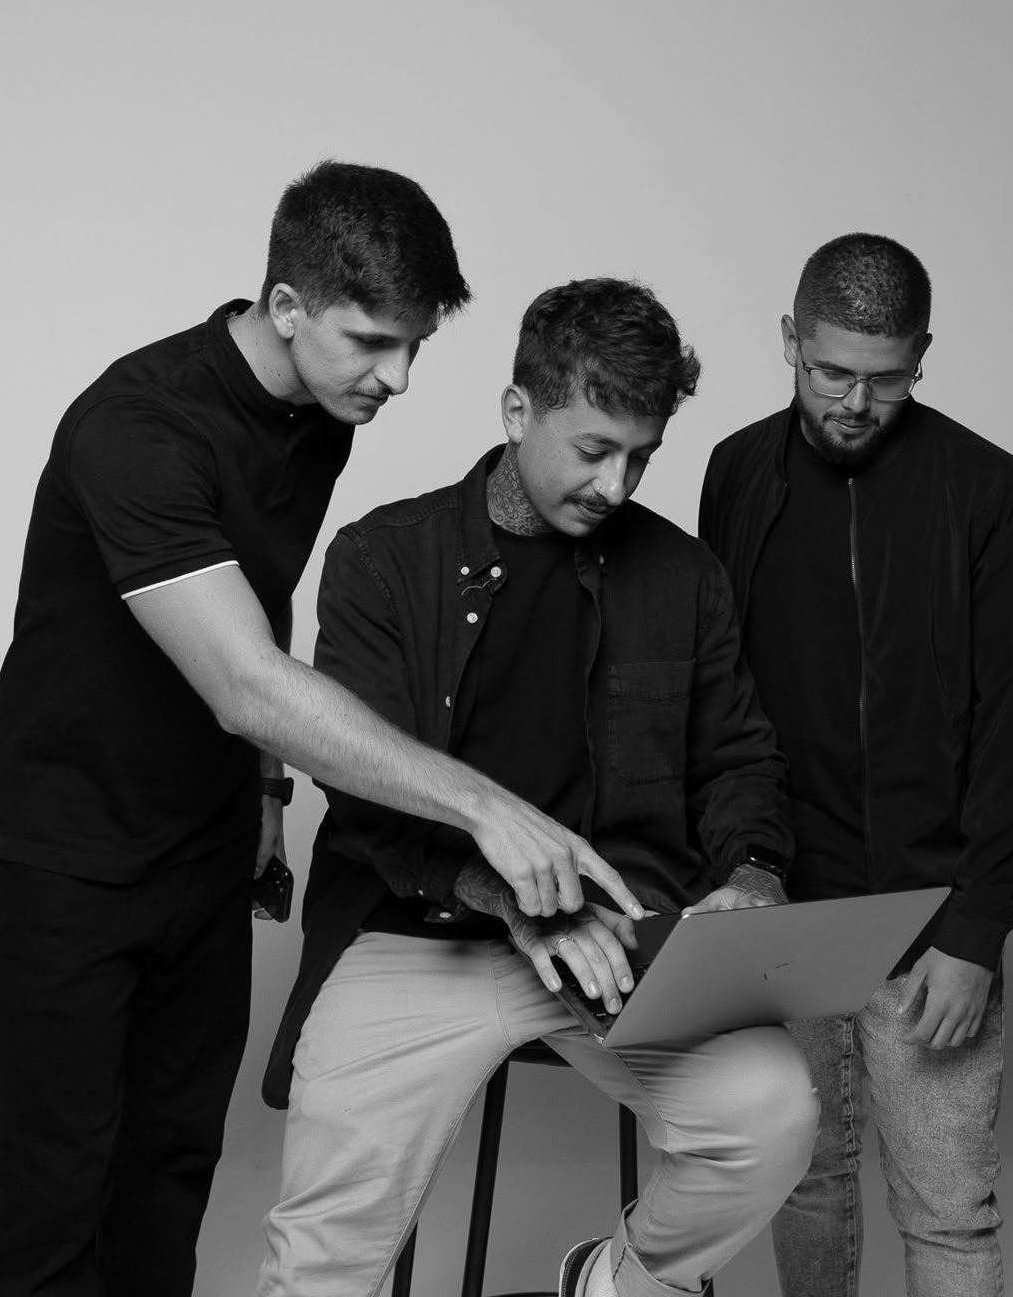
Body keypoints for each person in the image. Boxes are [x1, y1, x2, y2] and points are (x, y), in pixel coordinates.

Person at [0, 164, 640, 1297]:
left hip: (203, 843)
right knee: (57, 1191)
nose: (398, 378)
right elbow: (242, 678)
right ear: (286, 309)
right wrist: (483, 803)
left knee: (172, 1167)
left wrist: (269, 793)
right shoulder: (136, 427)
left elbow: (256, 601)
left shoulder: (315, 413)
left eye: (417, 347)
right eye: (374, 342)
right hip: (65, 852)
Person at [256, 277, 819, 1297]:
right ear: (518, 413)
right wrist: (508, 896)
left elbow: (739, 757)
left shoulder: (683, 576)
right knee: (324, 1252)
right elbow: (364, 791)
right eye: (595, 449)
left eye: (641, 456)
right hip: (415, 933)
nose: (617, 484)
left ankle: (617, 1283)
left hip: (623, 944)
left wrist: (751, 877)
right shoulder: (384, 559)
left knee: (772, 1112)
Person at [698, 232, 1013, 1297]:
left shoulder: (990, 492)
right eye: (830, 373)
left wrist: (977, 925)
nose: (855, 402)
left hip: (932, 919)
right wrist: (734, 873)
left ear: (924, 356)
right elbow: (719, 702)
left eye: (886, 378)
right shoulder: (736, 472)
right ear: (787, 342)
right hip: (788, 913)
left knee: (949, 1215)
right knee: (806, 1186)